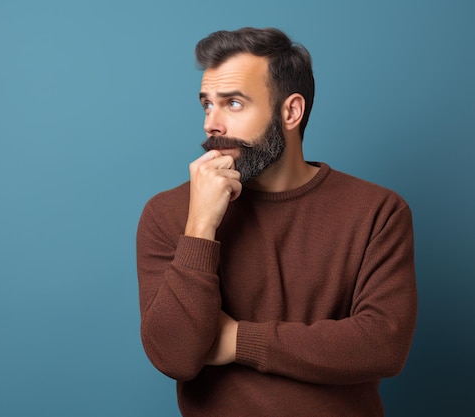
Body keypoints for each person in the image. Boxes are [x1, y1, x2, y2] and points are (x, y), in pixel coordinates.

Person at [136, 27, 417, 416]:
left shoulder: (378, 210)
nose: (211, 124)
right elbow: (175, 357)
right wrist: (200, 227)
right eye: (207, 104)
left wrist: (236, 339)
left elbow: (382, 345)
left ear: (291, 111)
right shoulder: (168, 213)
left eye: (233, 104)